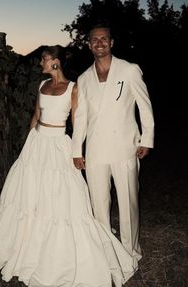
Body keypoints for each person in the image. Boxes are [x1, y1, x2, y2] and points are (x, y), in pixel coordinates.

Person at [0, 45, 137, 287]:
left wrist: (77, 151)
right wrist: (27, 147)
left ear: (56, 63)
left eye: (44, 59)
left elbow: (77, 122)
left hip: (58, 144)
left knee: (60, 197)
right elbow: (35, 117)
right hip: (36, 144)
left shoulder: (73, 88)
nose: (40, 63)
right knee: (28, 196)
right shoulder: (41, 86)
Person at [72, 23, 155, 264]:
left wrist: (147, 139)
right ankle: (106, 253)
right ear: (89, 45)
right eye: (94, 40)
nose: (99, 42)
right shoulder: (84, 78)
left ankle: (131, 253)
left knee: (128, 204)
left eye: (104, 38)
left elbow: (144, 106)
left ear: (111, 42)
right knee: (99, 205)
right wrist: (77, 150)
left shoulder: (129, 70)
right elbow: (81, 119)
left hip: (125, 147)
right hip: (96, 150)